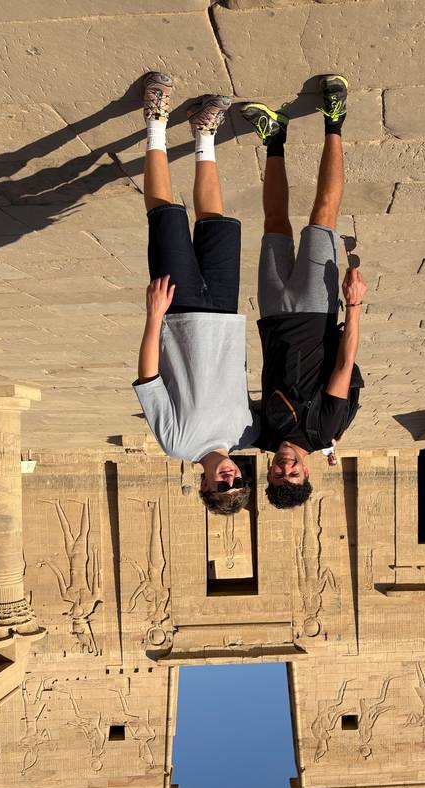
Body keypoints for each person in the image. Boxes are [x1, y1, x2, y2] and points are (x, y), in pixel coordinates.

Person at [133, 72, 259, 516]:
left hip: (178, 313)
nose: (229, 477)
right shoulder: (247, 434)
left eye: (221, 486)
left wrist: (154, 315)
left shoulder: (176, 443)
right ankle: (204, 133)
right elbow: (292, 429)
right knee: (215, 220)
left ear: (204, 486)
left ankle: (155, 121)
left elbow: (148, 378)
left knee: (164, 216)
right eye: (237, 482)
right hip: (224, 313)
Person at [240, 76, 366, 509]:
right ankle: (335, 121)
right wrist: (354, 303)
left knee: (274, 223)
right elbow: (345, 361)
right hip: (316, 312)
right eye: (292, 473)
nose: (284, 467)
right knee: (322, 217)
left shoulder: (261, 434)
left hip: (273, 315)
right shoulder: (324, 427)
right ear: (305, 471)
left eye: (276, 475)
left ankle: (275, 138)